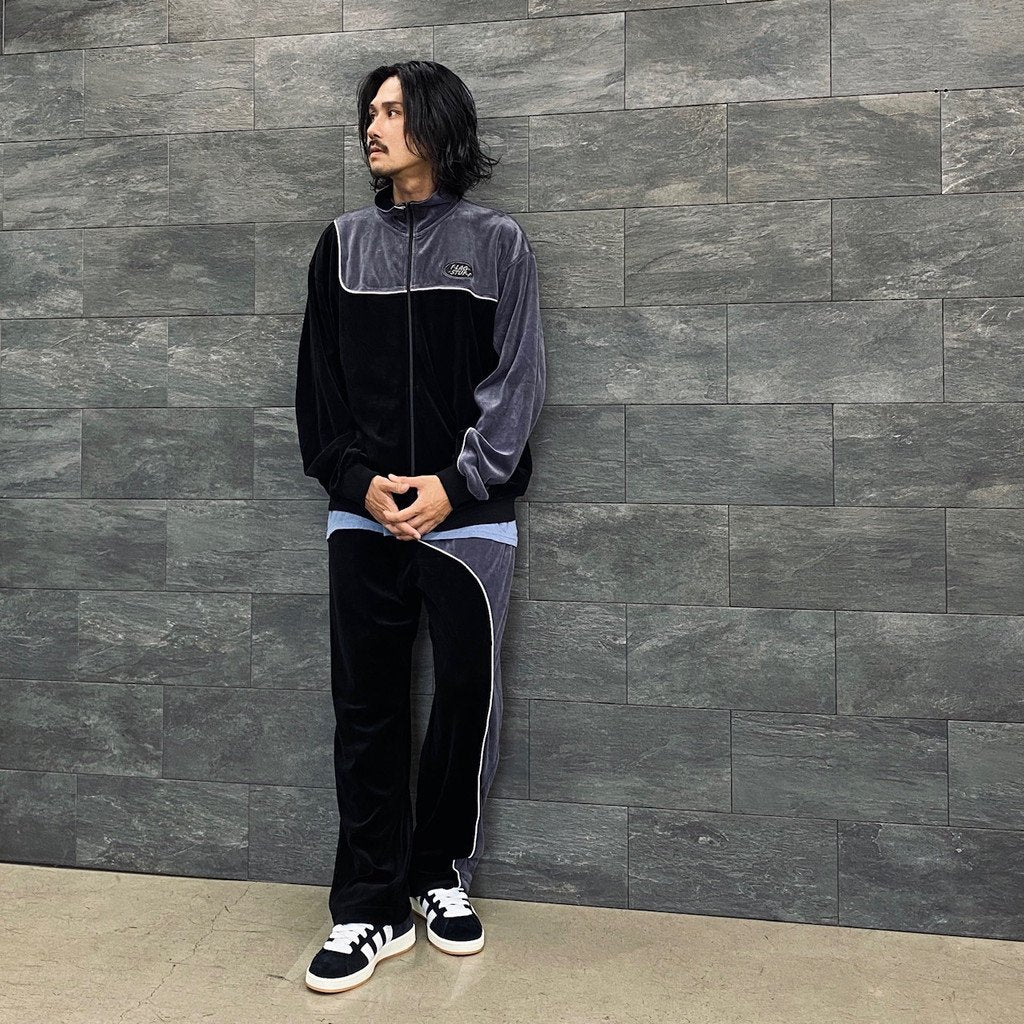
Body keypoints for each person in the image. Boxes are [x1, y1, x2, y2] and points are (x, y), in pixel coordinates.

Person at [294, 59, 546, 995]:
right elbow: (318, 390)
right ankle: (369, 907)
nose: (374, 125)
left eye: (393, 110)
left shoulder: (498, 243)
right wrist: (360, 484)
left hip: (470, 521)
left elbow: (518, 383)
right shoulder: (341, 244)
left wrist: (456, 482)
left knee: (464, 703)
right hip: (362, 519)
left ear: (436, 125)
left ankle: (439, 875)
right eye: (370, 111)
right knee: (366, 709)